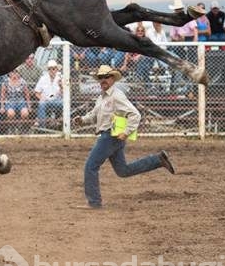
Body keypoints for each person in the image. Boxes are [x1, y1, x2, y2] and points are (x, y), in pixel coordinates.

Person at [72, 65, 175, 209]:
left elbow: (135, 114)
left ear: (113, 78)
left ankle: (94, 202)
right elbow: (94, 114)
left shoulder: (116, 95)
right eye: (101, 78)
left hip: (110, 136)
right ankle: (158, 160)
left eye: (106, 77)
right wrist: (82, 119)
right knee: (123, 171)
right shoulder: (103, 96)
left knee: (90, 166)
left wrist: (126, 131)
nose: (103, 80)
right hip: (113, 136)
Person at [34, 59, 63, 128]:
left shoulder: (61, 77)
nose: (52, 70)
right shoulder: (43, 78)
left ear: (56, 69)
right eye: (50, 69)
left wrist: (61, 86)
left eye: (53, 69)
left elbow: (64, 93)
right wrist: (42, 98)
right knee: (41, 103)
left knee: (62, 103)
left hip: (57, 100)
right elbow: (36, 92)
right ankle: (42, 126)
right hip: (46, 100)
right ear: (47, 70)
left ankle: (59, 122)